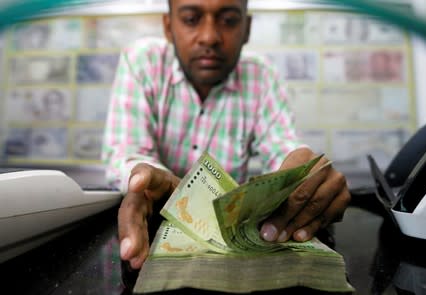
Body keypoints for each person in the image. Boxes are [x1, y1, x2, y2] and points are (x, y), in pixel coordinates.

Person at [102, 0, 351, 270]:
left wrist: (301, 171)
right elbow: (126, 151)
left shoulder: (261, 75)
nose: (210, 37)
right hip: (154, 225)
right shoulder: (142, 61)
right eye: (190, 19)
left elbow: (282, 146)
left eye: (230, 20)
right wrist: (146, 181)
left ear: (247, 29)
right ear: (168, 27)